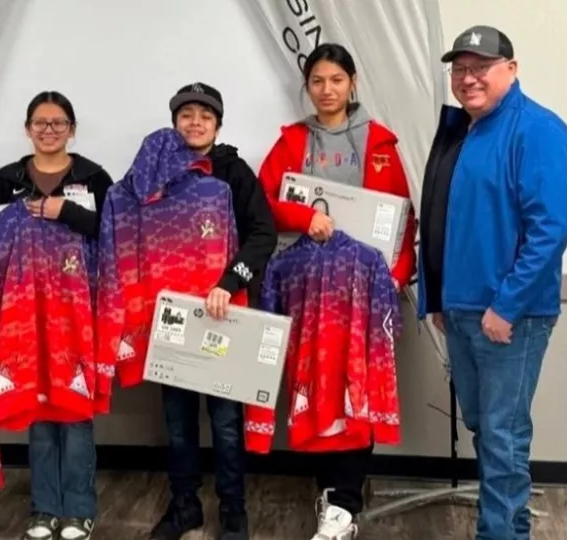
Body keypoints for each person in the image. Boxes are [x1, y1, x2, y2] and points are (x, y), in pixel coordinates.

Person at [418, 26, 567, 540]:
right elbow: (440, 215)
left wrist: (506, 307)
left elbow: (551, 229)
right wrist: (435, 296)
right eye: (460, 69)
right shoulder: (461, 130)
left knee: (503, 436)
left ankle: (499, 534)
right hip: (460, 310)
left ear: (511, 67)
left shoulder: (538, 130)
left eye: (480, 67)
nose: (468, 78)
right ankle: (513, 528)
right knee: (487, 431)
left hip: (510, 316)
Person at [257, 43, 417, 539]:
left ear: (353, 83)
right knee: (316, 389)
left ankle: (343, 504)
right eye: (317, 81)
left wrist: (394, 277)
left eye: (336, 80)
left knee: (356, 393)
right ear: (307, 87)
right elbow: (263, 203)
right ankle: (333, 493)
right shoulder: (291, 143)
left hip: (364, 296)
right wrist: (307, 218)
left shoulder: (383, 143)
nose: (327, 90)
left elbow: (401, 221)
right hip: (307, 294)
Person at [149, 82, 277, 540]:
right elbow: (138, 230)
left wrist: (230, 280)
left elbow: (263, 233)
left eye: (205, 114)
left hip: (225, 312)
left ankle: (233, 511)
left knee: (225, 424)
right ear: (175, 122)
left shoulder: (233, 171)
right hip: (175, 316)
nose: (196, 122)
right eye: (187, 114)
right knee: (178, 424)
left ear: (218, 124)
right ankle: (184, 506)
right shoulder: (156, 173)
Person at [0, 91, 113, 540]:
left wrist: (69, 212)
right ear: (27, 129)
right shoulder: (6, 179)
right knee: (35, 408)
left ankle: (79, 509)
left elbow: (114, 233)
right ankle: (44, 509)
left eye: (58, 123)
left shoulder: (94, 177)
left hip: (79, 314)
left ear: (72, 130)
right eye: (40, 123)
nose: (49, 130)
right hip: (23, 316)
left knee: (75, 412)